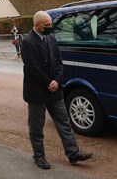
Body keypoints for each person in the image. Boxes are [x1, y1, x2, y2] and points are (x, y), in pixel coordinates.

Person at [21, 11, 93, 170]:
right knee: (36, 127)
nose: (50, 27)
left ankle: (73, 153)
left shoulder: (51, 38)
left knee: (64, 123)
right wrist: (49, 82)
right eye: (47, 26)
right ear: (37, 26)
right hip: (37, 92)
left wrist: (57, 80)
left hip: (54, 90)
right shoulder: (27, 42)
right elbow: (33, 69)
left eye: (50, 24)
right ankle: (39, 156)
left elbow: (59, 62)